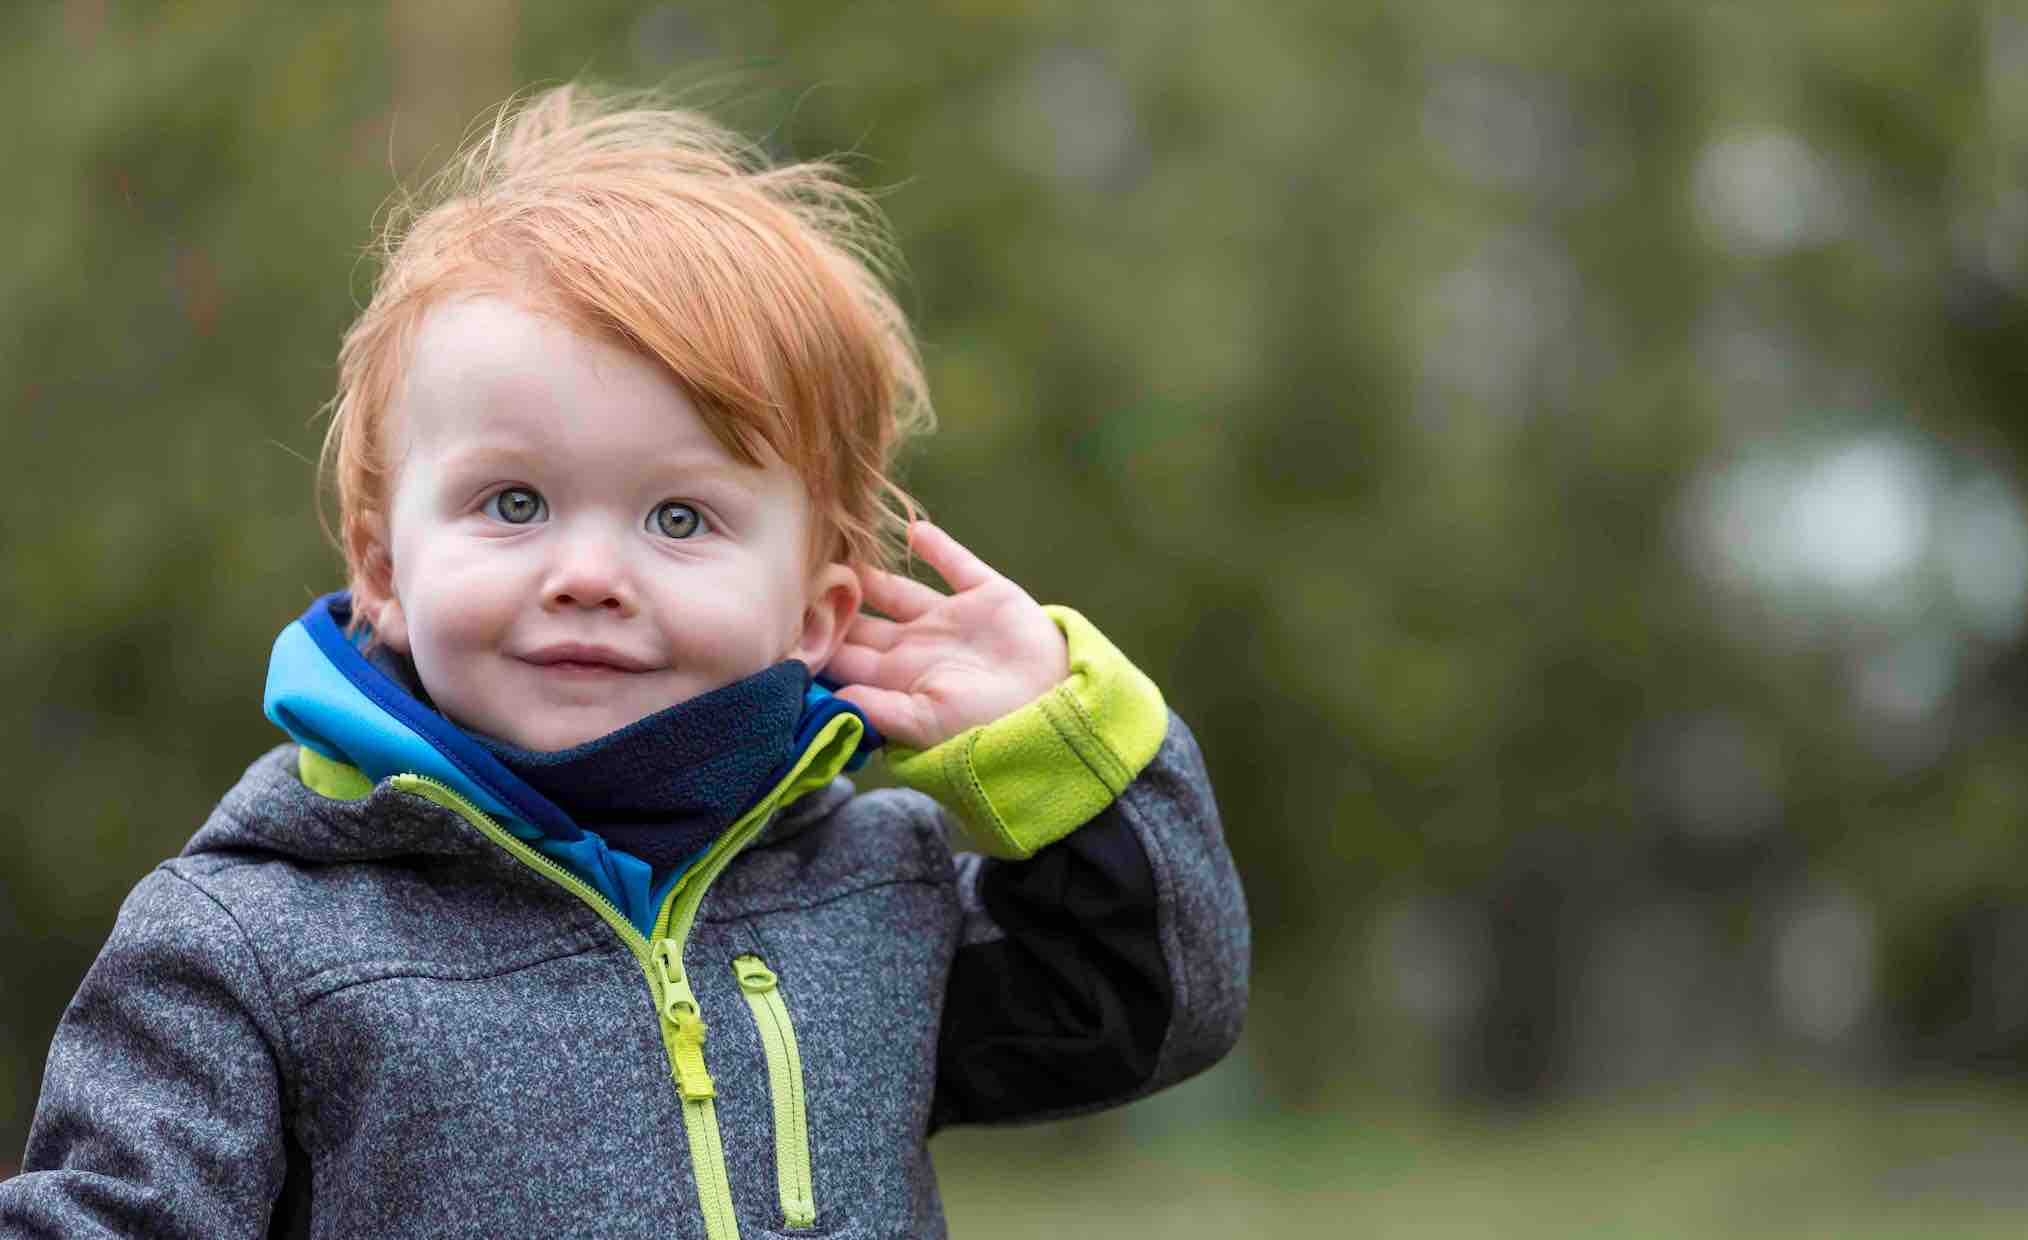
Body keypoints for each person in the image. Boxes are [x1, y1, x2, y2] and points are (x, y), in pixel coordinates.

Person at [1, 84, 1248, 1238]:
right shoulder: (250, 940)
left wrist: (1070, 745)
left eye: (678, 518)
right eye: (513, 501)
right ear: (383, 569)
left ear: (816, 613)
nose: (588, 572)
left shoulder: (869, 887)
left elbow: (1147, 1006)